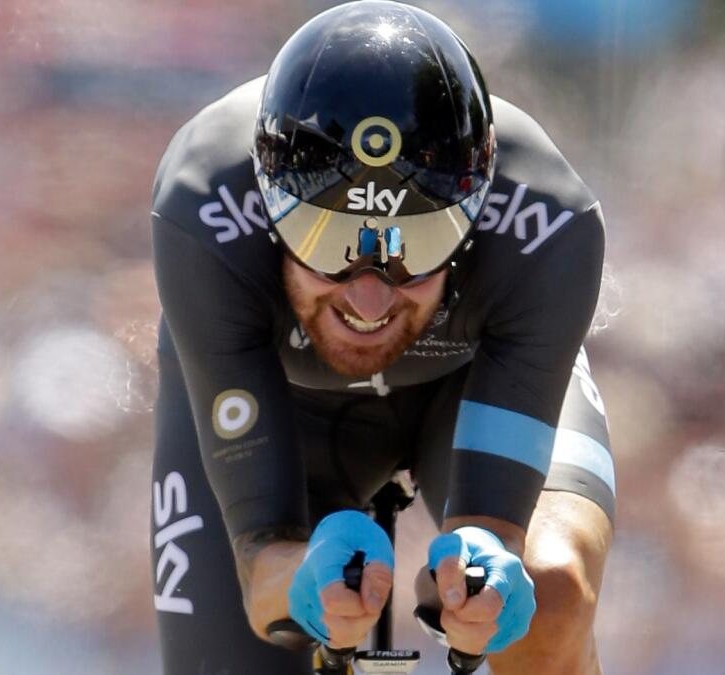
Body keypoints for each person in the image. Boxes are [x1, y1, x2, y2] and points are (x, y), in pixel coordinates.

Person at [149, 2, 615, 673]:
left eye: (414, 249)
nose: (368, 295)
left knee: (550, 591)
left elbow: (497, 534)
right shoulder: (203, 204)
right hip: (283, 400)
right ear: (268, 208)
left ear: (475, 209)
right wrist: (298, 572)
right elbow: (262, 571)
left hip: (467, 377)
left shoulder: (550, 224)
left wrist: (480, 567)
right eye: (329, 244)